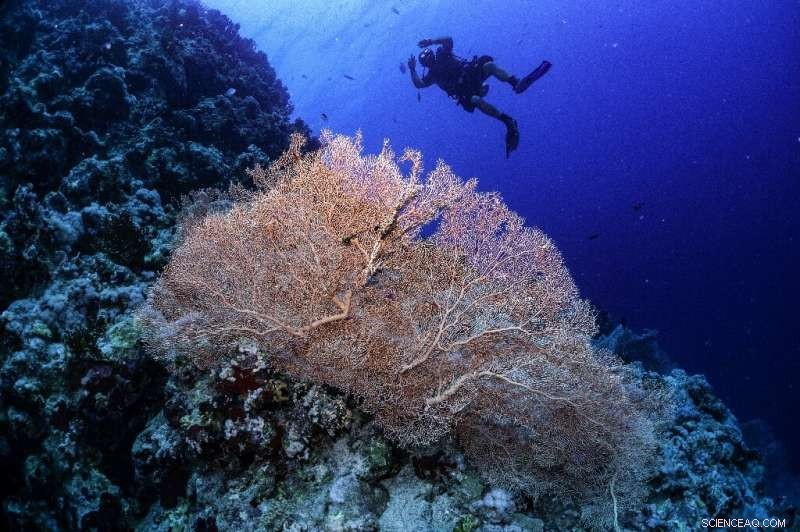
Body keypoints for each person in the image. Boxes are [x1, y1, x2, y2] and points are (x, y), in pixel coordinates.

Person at [408, 37, 551, 158]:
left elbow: (448, 40)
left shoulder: (443, 54)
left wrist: (431, 41)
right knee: (475, 100)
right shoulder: (432, 75)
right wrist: (412, 69)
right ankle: (507, 120)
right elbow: (419, 84)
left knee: (489, 65)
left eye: (429, 57)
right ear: (425, 65)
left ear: (433, 54)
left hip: (471, 75)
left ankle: (515, 83)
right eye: (427, 61)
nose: (430, 61)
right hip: (466, 92)